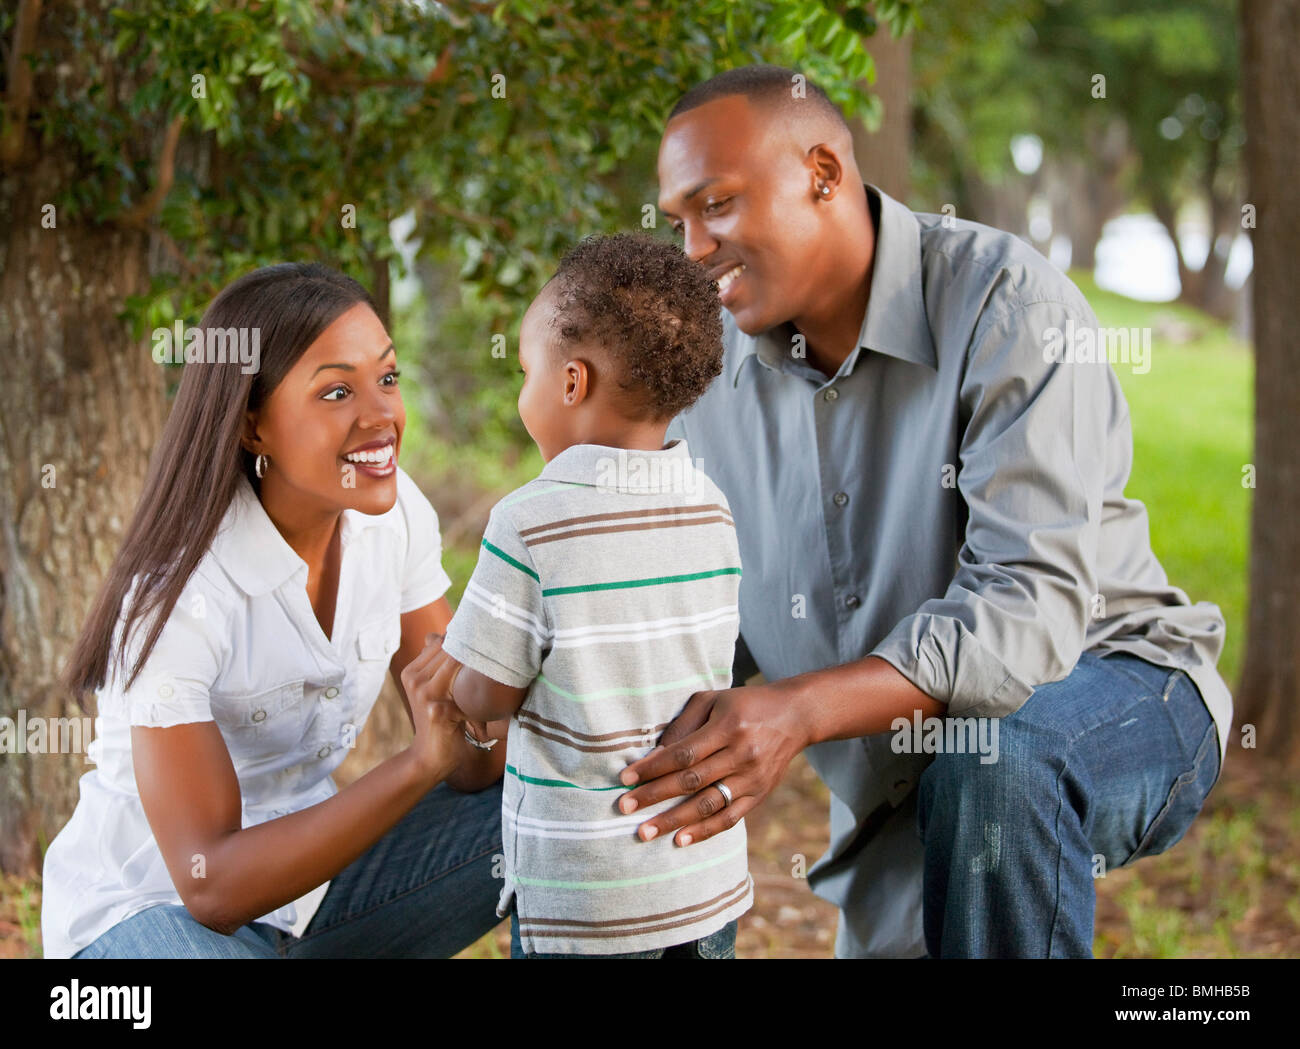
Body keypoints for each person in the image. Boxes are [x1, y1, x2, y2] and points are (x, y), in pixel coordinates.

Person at [614, 65, 1232, 958]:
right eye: (677, 221)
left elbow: (1027, 611)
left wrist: (797, 709)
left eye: (715, 205)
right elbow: (707, 608)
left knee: (995, 764)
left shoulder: (1003, 303)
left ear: (823, 171)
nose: (693, 247)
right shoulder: (709, 375)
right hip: (909, 784)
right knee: (619, 754)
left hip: (1113, 685)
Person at [44, 262, 506, 959]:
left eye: (387, 377)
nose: (382, 416)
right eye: (337, 391)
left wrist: (500, 684)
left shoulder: (396, 513)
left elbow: (475, 765)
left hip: (313, 902)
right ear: (253, 425)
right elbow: (212, 884)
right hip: (155, 917)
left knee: (563, 807)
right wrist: (417, 763)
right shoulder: (177, 593)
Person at [408, 233, 752, 958]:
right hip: (703, 875)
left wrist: (451, 682)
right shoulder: (710, 505)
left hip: (590, 898)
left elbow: (491, 696)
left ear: (571, 382)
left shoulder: (531, 519)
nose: (521, 388)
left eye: (527, 370)